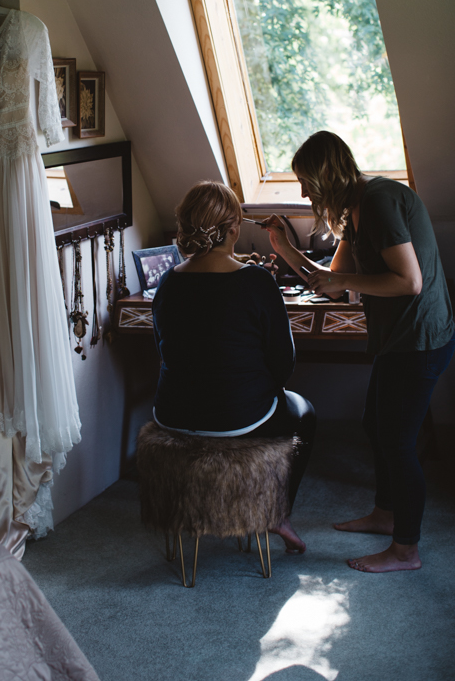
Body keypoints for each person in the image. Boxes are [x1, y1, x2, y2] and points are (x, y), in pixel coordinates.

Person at [262, 130, 454, 573]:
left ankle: (406, 551)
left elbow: (409, 282)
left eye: (306, 182)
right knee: (376, 424)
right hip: (396, 340)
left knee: (399, 443)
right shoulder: (354, 210)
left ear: (326, 175)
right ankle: (386, 515)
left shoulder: (381, 201)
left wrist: (345, 283)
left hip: (420, 338)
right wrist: (285, 248)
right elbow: (330, 281)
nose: (304, 192)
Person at [152, 180, 316, 554]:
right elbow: (283, 366)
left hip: (172, 416)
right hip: (238, 420)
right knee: (303, 413)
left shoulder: (167, 282)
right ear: (232, 229)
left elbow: (164, 354)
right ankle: (277, 511)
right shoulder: (256, 281)